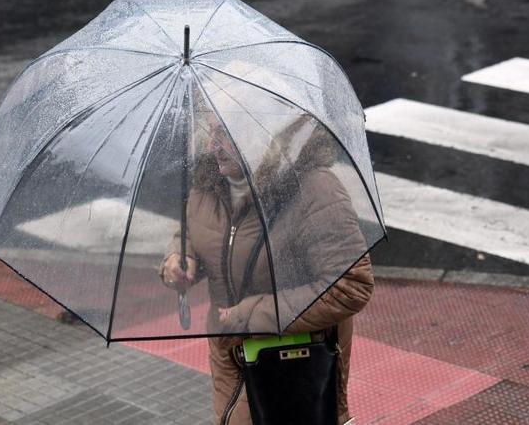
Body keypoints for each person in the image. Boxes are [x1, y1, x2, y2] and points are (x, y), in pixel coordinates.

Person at [159, 111, 375, 425]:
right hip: (228, 354)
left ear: (262, 128)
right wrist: (181, 257)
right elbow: (199, 229)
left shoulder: (313, 189)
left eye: (225, 133)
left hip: (293, 356)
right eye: (210, 132)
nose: (213, 145)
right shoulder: (209, 182)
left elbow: (351, 285)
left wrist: (252, 314)